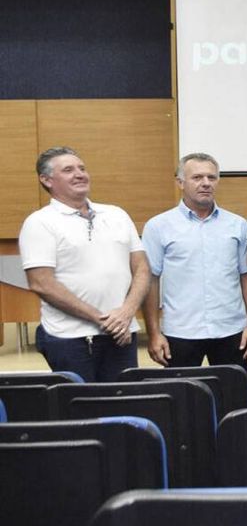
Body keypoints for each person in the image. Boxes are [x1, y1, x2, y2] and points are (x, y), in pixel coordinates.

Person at [19, 147, 149, 381]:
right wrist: (103, 320)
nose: (79, 174)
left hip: (122, 333)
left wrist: (126, 313)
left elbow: (141, 268)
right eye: (68, 170)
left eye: (82, 168)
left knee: (124, 399)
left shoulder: (117, 214)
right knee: (81, 401)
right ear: (46, 180)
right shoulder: (40, 222)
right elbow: (41, 283)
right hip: (71, 339)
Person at [140, 153, 247, 368]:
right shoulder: (158, 226)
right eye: (197, 177)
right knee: (183, 390)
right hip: (180, 332)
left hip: (231, 329)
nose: (206, 183)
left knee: (233, 390)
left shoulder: (237, 225)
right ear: (180, 182)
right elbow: (150, 280)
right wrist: (154, 333)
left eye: (211, 177)